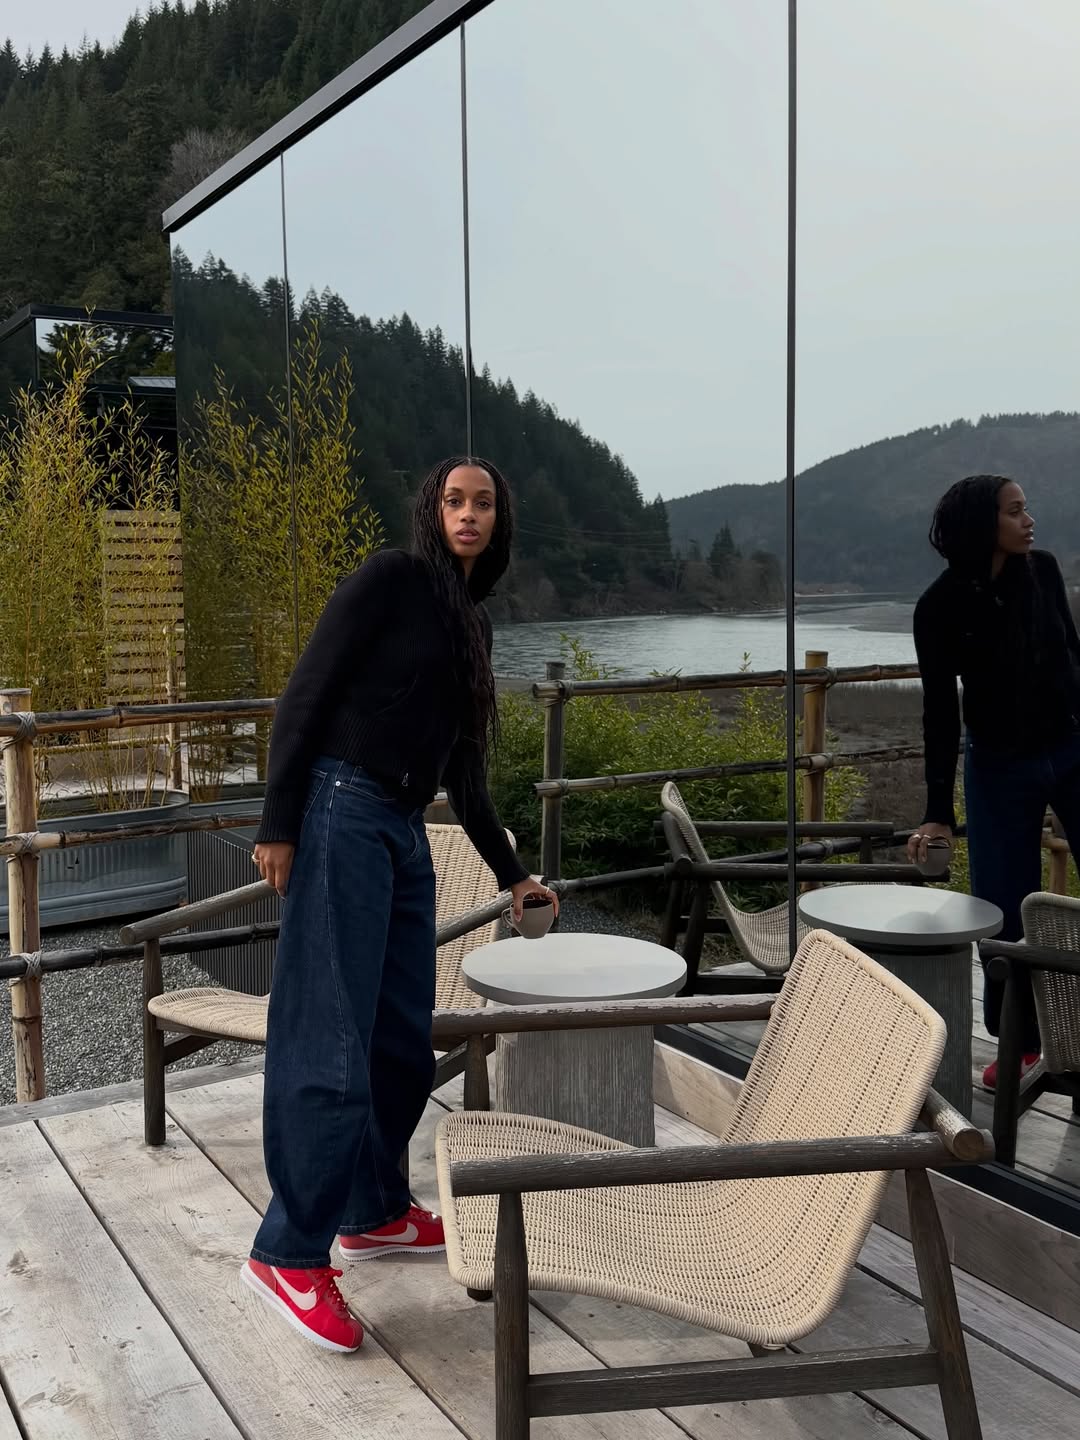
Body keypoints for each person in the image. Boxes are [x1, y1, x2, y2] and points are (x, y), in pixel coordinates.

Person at [240, 456, 558, 1352]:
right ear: (432, 509)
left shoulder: (471, 623)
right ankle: (287, 1253)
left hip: (404, 828)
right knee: (329, 1038)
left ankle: (373, 1210)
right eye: (455, 500)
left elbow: (466, 771)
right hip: (340, 809)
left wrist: (512, 874)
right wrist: (279, 821)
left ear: (499, 520)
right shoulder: (389, 580)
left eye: (483, 503)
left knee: (398, 1040)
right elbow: (305, 694)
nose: (469, 514)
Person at [908, 474, 1080, 1088]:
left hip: (1072, 748)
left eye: (1026, 509)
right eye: (1015, 511)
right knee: (1004, 911)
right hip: (999, 767)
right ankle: (1020, 1045)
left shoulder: (1044, 571)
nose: (1028, 521)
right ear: (984, 523)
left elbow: (1073, 657)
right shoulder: (939, 606)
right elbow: (939, 711)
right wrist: (937, 810)